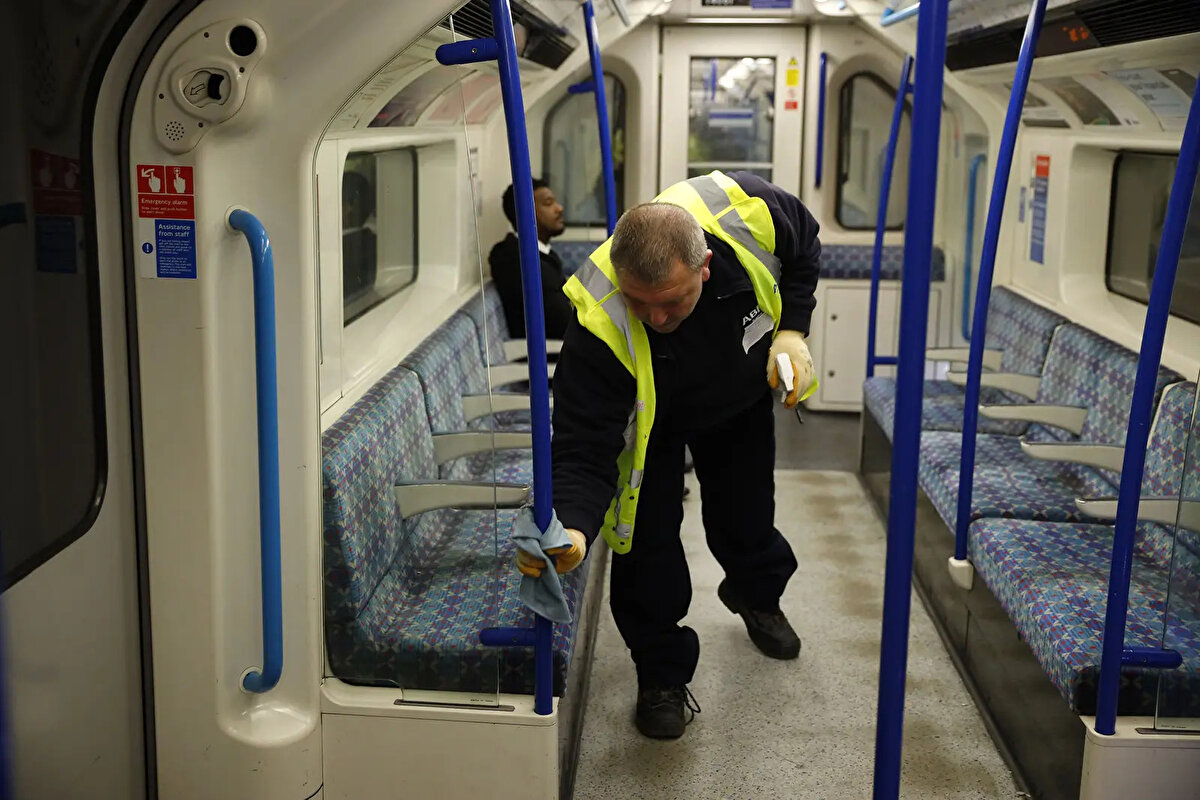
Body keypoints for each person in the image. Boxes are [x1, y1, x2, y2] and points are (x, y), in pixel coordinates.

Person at [516, 170, 820, 740]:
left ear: (705, 266)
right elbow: (582, 447)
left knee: (747, 515)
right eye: (641, 303)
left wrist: (793, 330)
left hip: (737, 398)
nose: (656, 319)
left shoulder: (748, 211)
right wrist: (574, 530)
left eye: (672, 302)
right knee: (647, 543)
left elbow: (805, 246)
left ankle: (756, 596)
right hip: (648, 422)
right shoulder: (598, 320)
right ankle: (660, 673)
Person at [488, 178, 572, 339]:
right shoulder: (517, 260)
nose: (559, 208)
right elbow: (563, 321)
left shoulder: (544, 255)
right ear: (526, 212)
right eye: (548, 203)